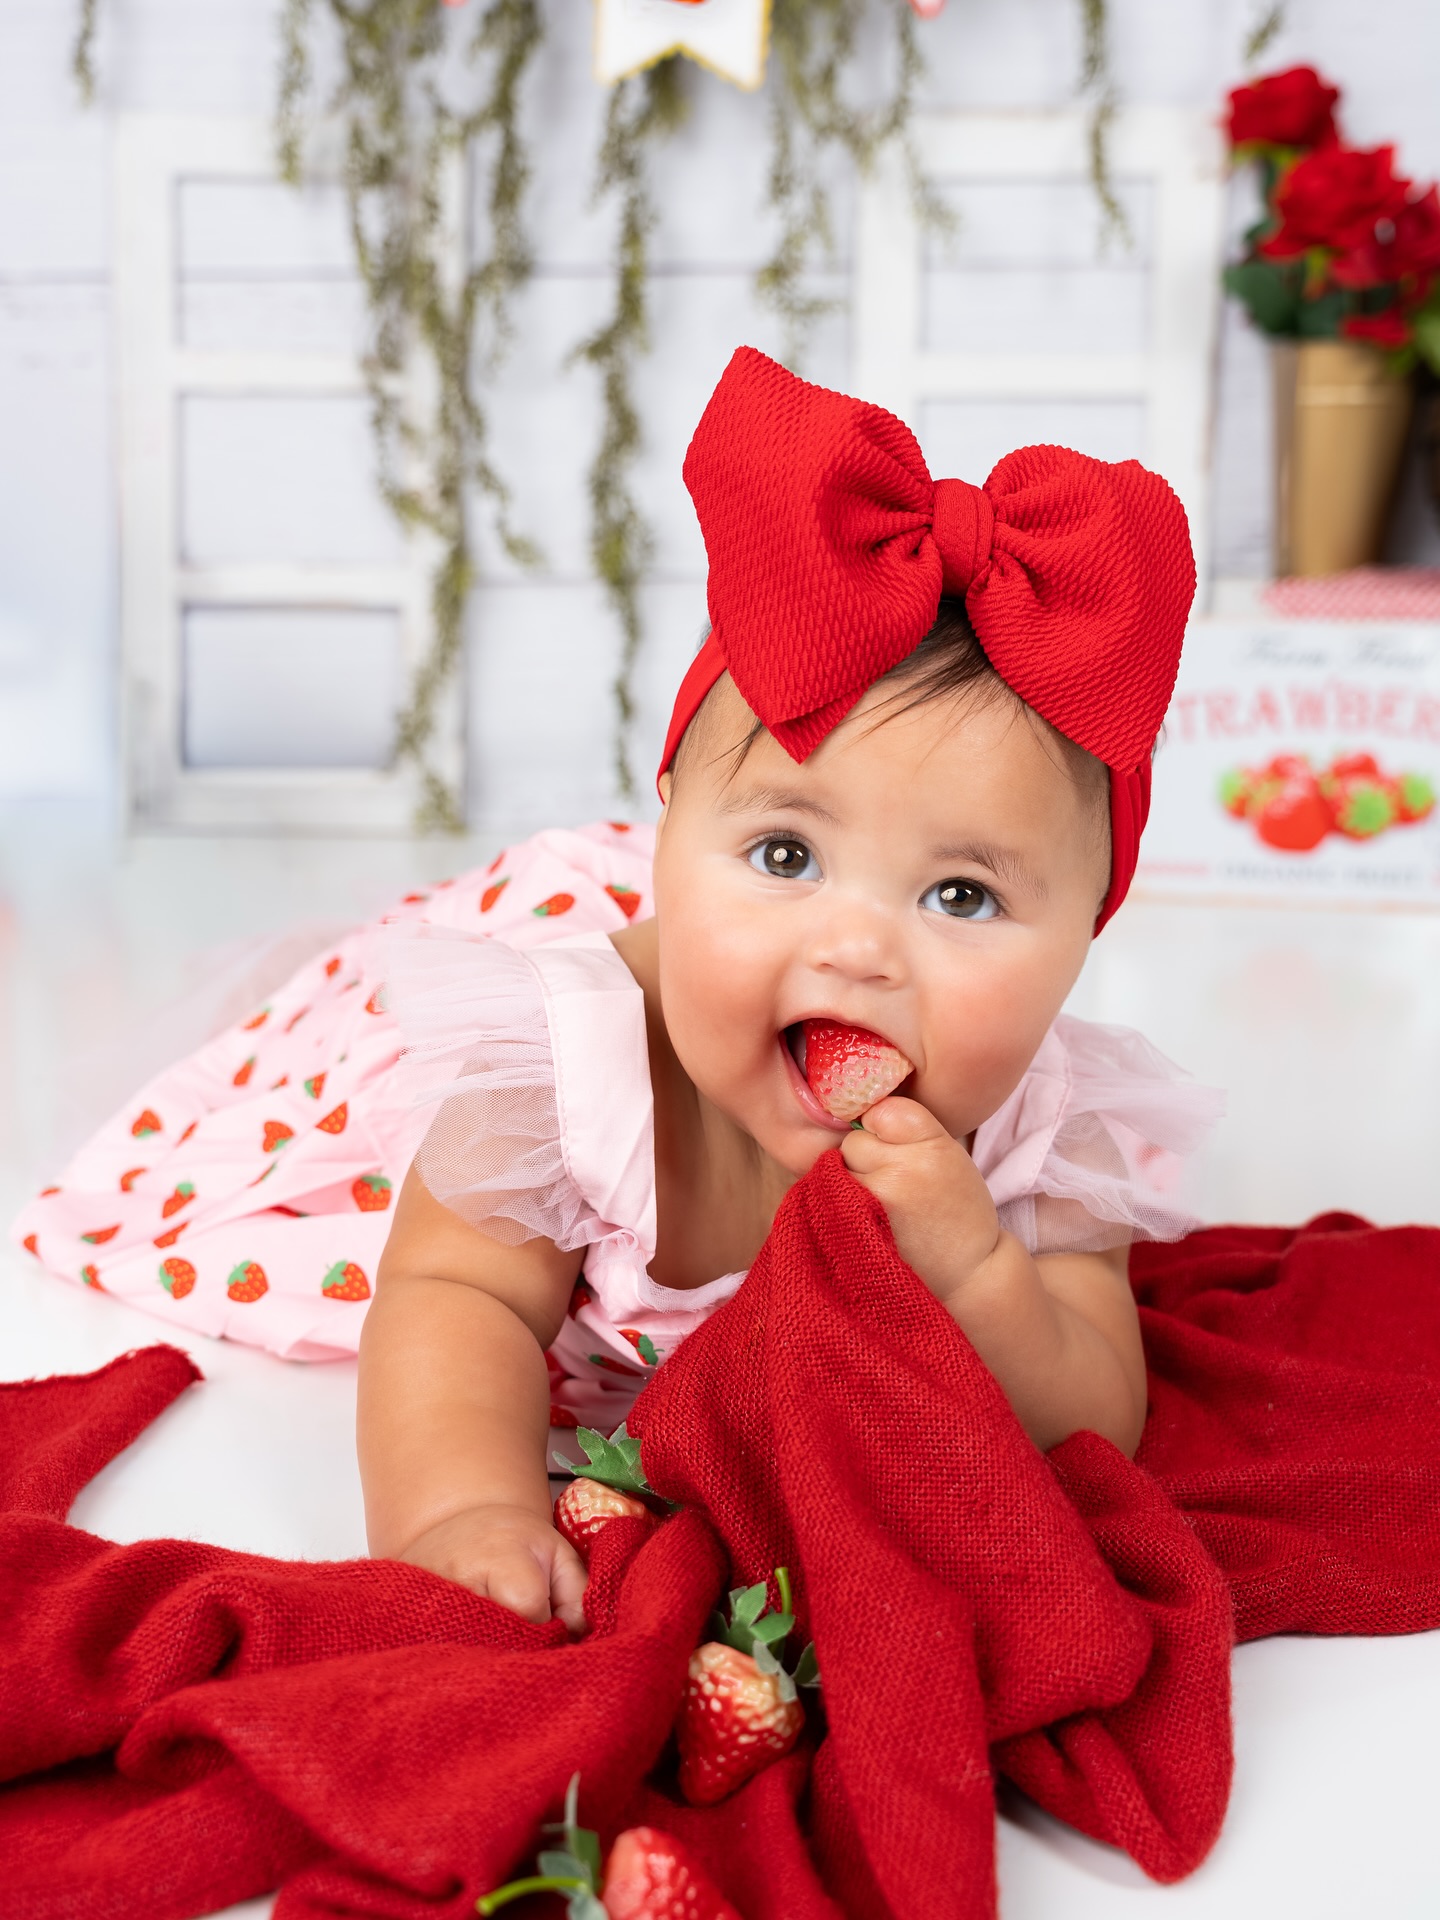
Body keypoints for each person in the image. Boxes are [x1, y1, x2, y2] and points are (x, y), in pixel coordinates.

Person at [11, 348, 1220, 1638]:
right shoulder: (559, 1069)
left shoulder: (1050, 1130)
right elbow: (454, 1299)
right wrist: (458, 1514)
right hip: (570, 991)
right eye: (784, 856)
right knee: (350, 1135)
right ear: (669, 837)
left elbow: (1101, 1418)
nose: (859, 950)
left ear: (1087, 933)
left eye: (963, 896)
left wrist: (978, 1269)